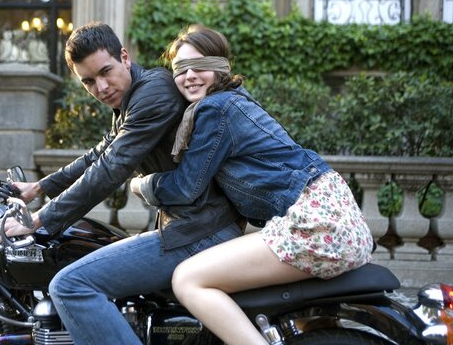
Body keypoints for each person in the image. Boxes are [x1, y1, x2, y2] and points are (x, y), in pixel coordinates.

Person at [0, 22, 243, 345]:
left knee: (69, 286)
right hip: (190, 227)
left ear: (124, 56)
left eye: (106, 71)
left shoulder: (155, 92)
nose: (102, 87)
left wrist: (39, 219)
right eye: (89, 82)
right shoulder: (128, 100)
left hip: (200, 231)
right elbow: (98, 154)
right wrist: (38, 188)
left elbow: (111, 167)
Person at [130, 24, 374, 345]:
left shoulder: (215, 109)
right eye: (180, 69)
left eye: (200, 66)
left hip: (314, 224)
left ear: (221, 67)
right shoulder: (234, 101)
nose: (189, 76)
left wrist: (140, 184)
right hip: (329, 216)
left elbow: (186, 188)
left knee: (188, 279)